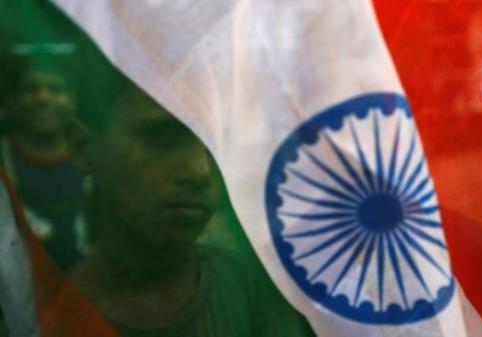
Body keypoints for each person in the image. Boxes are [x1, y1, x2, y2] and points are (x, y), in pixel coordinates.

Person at [63, 57, 314, 336]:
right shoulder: (35, 314)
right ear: (83, 147)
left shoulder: (261, 292)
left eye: (217, 142)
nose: (200, 170)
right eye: (159, 136)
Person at [0, 49, 86, 271]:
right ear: (12, 100)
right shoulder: (4, 159)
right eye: (31, 89)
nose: (43, 98)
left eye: (55, 89)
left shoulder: (94, 159)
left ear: (73, 100)